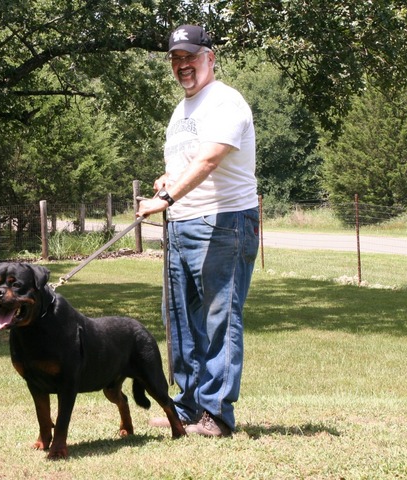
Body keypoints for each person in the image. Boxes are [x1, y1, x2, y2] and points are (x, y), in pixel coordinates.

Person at [137, 24, 259, 437]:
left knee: (219, 319)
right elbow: (188, 162)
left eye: (190, 56)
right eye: (175, 58)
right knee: (183, 321)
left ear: (210, 57)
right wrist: (167, 181)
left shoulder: (225, 101)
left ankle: (217, 416)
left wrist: (166, 200)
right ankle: (187, 408)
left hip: (223, 223)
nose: (182, 65)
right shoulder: (182, 109)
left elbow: (208, 161)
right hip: (184, 223)